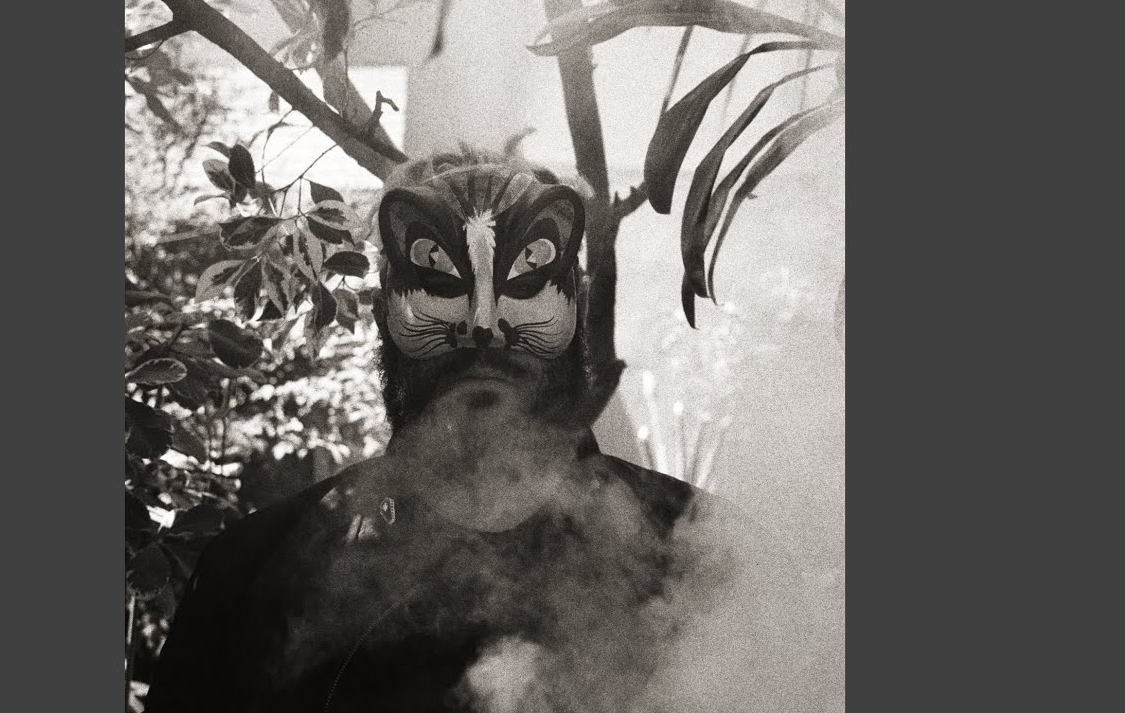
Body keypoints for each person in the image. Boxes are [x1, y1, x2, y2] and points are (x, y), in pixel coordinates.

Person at [146, 149, 822, 713]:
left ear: (578, 312)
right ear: (384, 318)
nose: (483, 325)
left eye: (525, 278)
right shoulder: (255, 579)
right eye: (438, 277)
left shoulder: (714, 567)